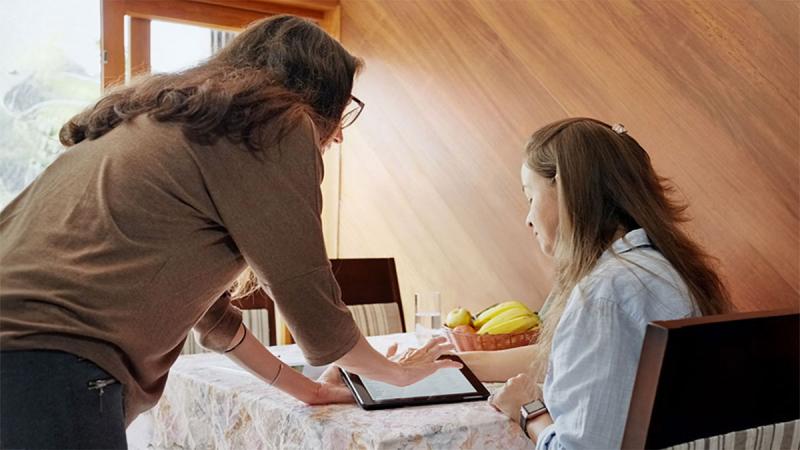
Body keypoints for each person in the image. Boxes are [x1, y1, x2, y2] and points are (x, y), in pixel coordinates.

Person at [0, 15, 459, 449]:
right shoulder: (274, 122)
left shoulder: (167, 122)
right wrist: (394, 375)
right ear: (318, 96)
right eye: (342, 110)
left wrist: (308, 391)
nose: (337, 136)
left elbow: (211, 316)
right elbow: (307, 293)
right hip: (47, 361)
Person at [489, 118, 732, 449]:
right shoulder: (664, 270)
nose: (528, 218)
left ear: (565, 190)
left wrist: (529, 410)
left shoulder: (606, 295)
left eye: (531, 196)